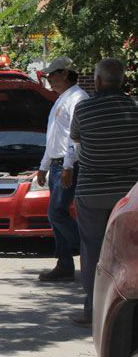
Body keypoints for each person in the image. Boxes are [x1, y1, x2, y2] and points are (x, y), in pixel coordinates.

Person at [62, 58, 138, 327]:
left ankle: (94, 310)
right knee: (131, 252)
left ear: (96, 81)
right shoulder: (135, 108)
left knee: (93, 249)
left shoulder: (84, 109)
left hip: (92, 191)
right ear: (123, 81)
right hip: (130, 194)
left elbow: (77, 140)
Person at [35, 57, 89, 282]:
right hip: (58, 164)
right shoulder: (60, 100)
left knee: (57, 212)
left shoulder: (77, 98)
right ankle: (65, 264)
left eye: (51, 74)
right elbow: (54, 139)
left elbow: (75, 138)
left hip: (69, 164)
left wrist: (68, 165)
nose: (48, 78)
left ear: (64, 74)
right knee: (54, 213)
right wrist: (44, 166)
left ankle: (89, 249)